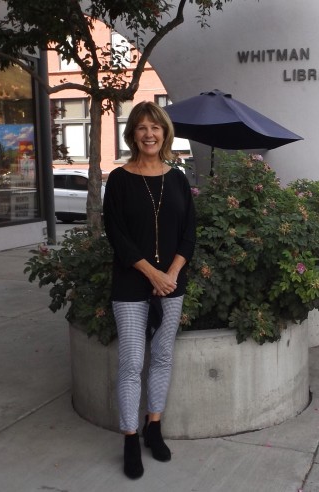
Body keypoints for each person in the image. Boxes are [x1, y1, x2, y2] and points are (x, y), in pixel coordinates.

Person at [103, 101, 196, 479]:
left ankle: (153, 427)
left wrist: (170, 274)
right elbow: (117, 235)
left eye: (155, 127)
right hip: (130, 284)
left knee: (161, 357)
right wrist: (152, 275)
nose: (149, 134)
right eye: (141, 128)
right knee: (130, 363)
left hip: (172, 284)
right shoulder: (120, 179)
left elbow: (189, 233)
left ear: (165, 133)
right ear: (132, 135)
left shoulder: (177, 179)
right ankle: (129, 438)